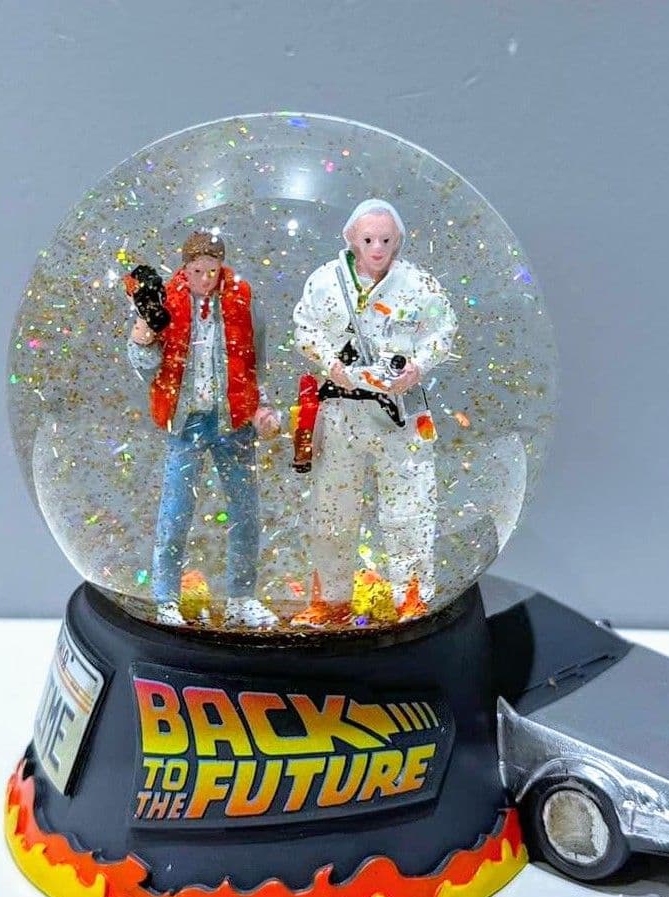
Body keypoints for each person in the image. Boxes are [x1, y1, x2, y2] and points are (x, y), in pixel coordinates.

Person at [292, 199, 457, 625]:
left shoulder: (419, 284)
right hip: (341, 407)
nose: (377, 248)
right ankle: (330, 599)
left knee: (409, 507)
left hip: (399, 412)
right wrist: (331, 364)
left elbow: (443, 330)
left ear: (397, 240)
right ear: (352, 239)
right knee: (332, 508)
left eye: (385, 240)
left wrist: (417, 367)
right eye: (368, 240)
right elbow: (304, 329)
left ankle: (411, 595)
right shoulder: (325, 281)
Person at [127, 231, 280, 628]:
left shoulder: (243, 300)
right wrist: (143, 338)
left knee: (245, 512)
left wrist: (262, 405)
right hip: (187, 421)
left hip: (234, 420)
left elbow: (255, 361)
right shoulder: (164, 301)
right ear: (185, 268)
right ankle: (166, 599)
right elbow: (147, 367)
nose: (205, 279)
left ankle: (241, 598)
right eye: (197, 271)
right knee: (176, 512)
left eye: (212, 270)